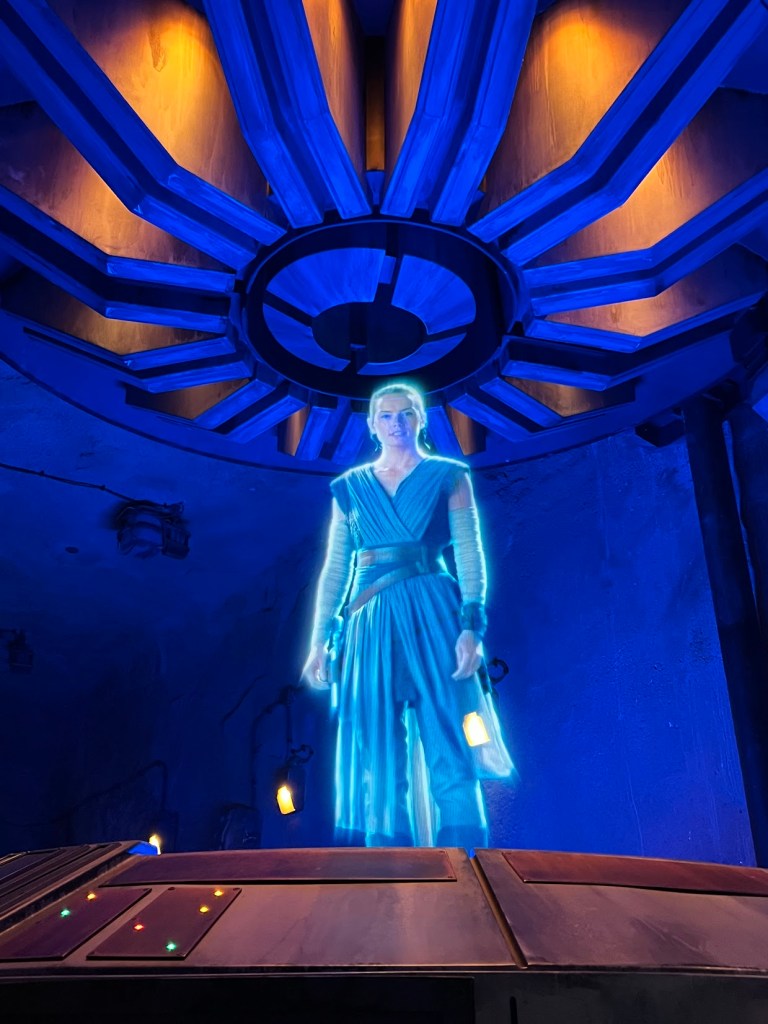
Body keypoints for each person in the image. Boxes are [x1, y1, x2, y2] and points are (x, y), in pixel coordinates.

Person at [303, 382, 512, 848]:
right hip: (368, 621)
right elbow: (336, 567)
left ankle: (467, 866)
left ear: (421, 419)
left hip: (433, 613)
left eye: (406, 414)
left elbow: (469, 552)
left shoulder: (448, 475)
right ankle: (388, 875)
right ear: (372, 425)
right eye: (386, 415)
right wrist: (320, 639)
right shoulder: (350, 488)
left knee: (450, 742)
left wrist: (471, 627)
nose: (396, 424)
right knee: (376, 758)